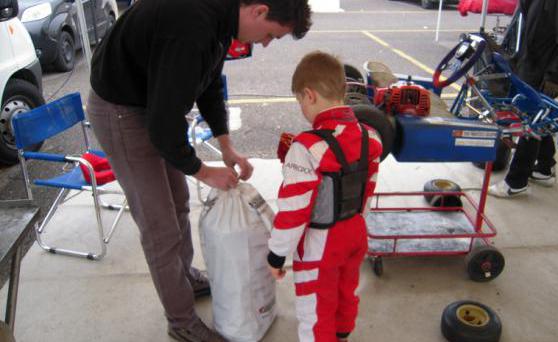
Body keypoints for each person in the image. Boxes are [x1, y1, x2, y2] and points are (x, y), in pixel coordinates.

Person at [85, 0, 312, 341]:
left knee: (177, 202)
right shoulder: (192, 25)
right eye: (270, 35)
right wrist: (205, 172)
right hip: (121, 109)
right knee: (159, 226)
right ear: (259, 11)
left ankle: (185, 278)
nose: (265, 44)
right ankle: (181, 323)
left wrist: (225, 146)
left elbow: (207, 85)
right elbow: (164, 128)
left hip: (151, 98)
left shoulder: (221, 20)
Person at [267, 51, 383, 342]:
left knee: (316, 309)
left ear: (309, 95)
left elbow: (294, 209)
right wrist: (356, 221)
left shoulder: (306, 147)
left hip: (321, 244)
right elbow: (368, 190)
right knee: (346, 291)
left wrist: (277, 254)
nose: (301, 109)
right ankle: (342, 334)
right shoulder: (372, 136)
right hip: (356, 232)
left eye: (299, 102)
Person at [489, 0, 558, 198]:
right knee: (536, 119)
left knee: (531, 122)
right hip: (531, 68)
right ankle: (545, 168)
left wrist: (554, 77)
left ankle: (516, 183)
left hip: (546, 76)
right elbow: (531, 36)